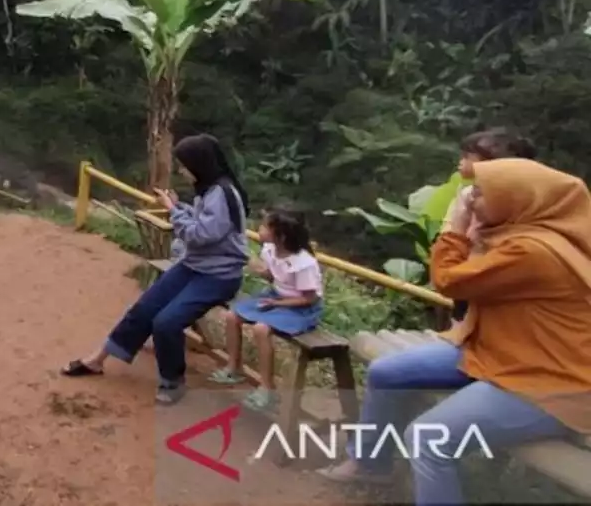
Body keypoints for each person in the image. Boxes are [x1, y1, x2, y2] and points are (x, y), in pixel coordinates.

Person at [319, 158, 591, 506]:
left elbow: (449, 281)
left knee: (427, 439)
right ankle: (371, 464)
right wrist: (475, 234)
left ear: (515, 198)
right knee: (385, 372)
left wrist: (456, 225)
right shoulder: (522, 234)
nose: (469, 198)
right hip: (497, 355)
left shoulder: (534, 250)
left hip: (544, 383)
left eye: (480, 192)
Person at [60, 133, 249, 405]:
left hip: (219, 276)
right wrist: (177, 207)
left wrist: (172, 210)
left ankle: (173, 382)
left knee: (166, 322)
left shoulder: (222, 193)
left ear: (200, 163)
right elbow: (200, 223)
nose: (181, 171)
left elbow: (198, 235)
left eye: (184, 165)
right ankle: (97, 360)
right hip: (194, 265)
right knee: (145, 308)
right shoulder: (209, 189)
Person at [208, 206, 323, 412]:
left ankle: (267, 388)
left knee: (261, 329)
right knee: (232, 315)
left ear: (281, 235)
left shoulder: (304, 263)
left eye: (265, 226)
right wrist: (261, 271)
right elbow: (275, 276)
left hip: (301, 308)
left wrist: (277, 304)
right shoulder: (269, 250)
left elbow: (310, 298)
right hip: (276, 297)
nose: (259, 229)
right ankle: (234, 367)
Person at [444, 129, 537, 323]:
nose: (461, 161)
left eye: (469, 156)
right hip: (466, 273)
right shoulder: (467, 194)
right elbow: (452, 233)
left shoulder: (524, 201)